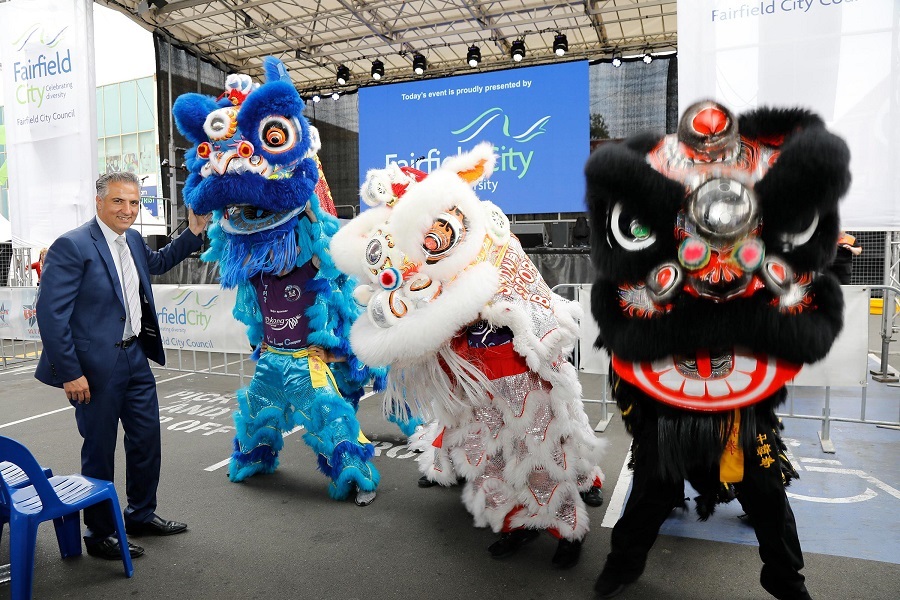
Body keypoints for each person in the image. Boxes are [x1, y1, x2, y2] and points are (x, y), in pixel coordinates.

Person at [35, 171, 211, 561]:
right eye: (118, 201)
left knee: (147, 440)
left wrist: (194, 232)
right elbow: (51, 315)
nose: (127, 210)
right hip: (93, 369)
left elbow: (160, 261)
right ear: (99, 202)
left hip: (135, 357)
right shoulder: (72, 245)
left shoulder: (131, 239)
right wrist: (69, 372)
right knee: (99, 451)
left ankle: (140, 514)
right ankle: (99, 535)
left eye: (133, 203)